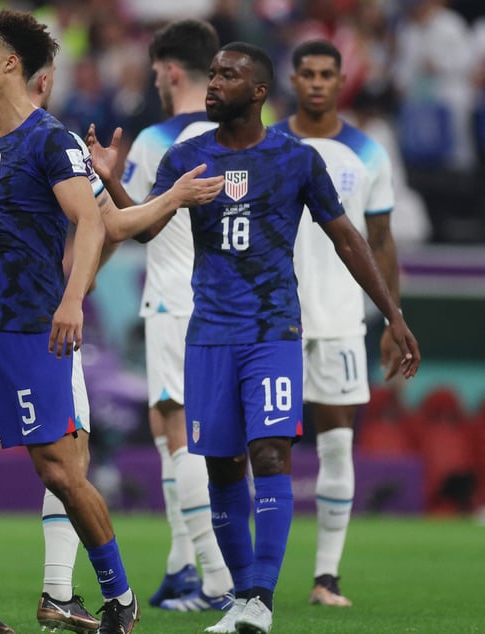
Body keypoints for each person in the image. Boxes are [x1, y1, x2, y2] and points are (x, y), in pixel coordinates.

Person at [0, 10, 223, 634]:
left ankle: (118, 595)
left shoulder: (52, 141)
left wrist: (72, 302)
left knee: (59, 471)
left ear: (10, 64)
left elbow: (96, 221)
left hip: (32, 331)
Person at [139, 42, 420, 634]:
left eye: (227, 75)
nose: (212, 83)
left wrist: (392, 314)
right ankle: (241, 597)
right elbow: (144, 229)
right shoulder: (186, 157)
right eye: (210, 72)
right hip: (208, 333)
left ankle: (261, 601)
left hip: (273, 330)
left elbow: (349, 238)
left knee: (270, 452)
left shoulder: (295, 160)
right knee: (220, 466)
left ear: (258, 91)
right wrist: (119, 187)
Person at [85, 19, 234, 613]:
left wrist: (110, 187)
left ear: (171, 71)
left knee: (180, 436)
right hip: (236, 306)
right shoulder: (247, 135)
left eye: (155, 72)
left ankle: (218, 581)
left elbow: (140, 225)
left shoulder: (158, 141)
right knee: (193, 437)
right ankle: (181, 566)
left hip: (177, 298)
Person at [271, 39, 403, 608]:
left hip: (343, 320)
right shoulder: (268, 142)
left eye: (328, 73)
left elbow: (379, 241)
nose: (318, 82)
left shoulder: (369, 152)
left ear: (342, 79)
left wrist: (393, 318)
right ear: (293, 80)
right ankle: (255, 578)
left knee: (337, 444)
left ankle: (327, 577)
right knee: (265, 449)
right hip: (274, 322)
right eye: (309, 73)